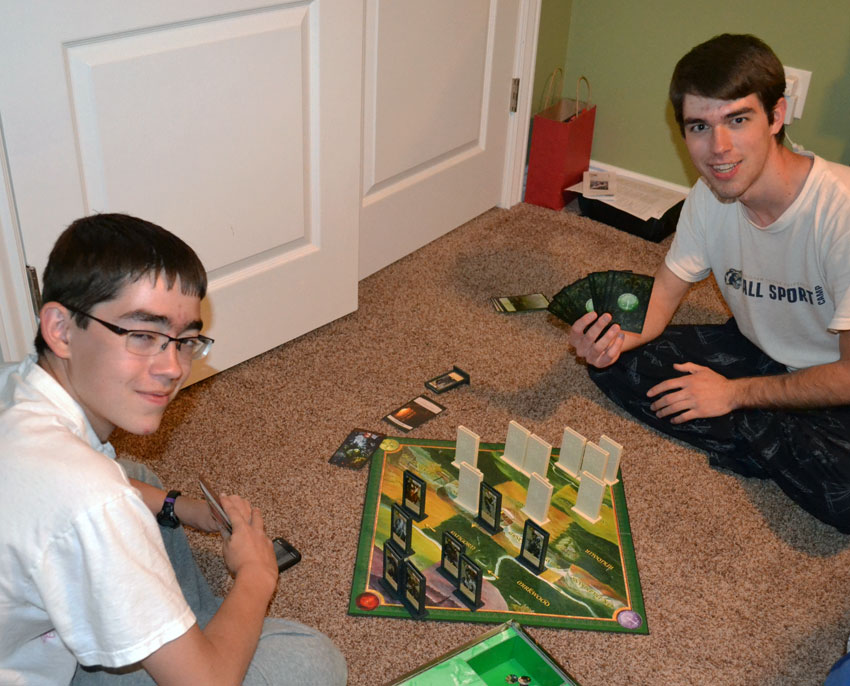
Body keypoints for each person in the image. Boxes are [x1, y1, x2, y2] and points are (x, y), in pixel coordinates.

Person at [0, 213, 347, 685]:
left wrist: (179, 508)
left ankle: (174, 625)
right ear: (61, 328)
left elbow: (97, 490)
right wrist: (255, 575)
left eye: (185, 341)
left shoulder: (16, 386)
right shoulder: (88, 497)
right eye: (142, 335)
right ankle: (187, 635)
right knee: (310, 661)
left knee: (139, 476)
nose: (172, 367)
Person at [569, 33, 850, 533]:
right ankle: (771, 440)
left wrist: (735, 394)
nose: (718, 149)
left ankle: (757, 427)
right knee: (616, 365)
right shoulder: (707, 197)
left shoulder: (840, 212)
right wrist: (608, 342)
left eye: (737, 120)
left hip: (837, 378)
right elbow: (658, 307)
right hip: (760, 349)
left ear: (776, 116)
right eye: (700, 126)